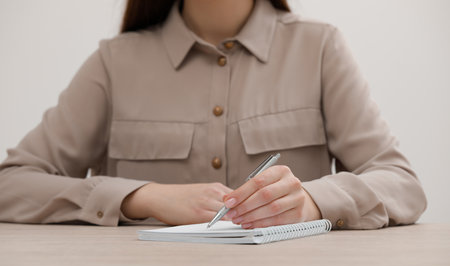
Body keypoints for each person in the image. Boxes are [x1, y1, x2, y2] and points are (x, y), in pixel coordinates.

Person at [0, 0, 426, 229]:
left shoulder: (319, 48)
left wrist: (313, 201)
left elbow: (402, 185)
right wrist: (143, 196)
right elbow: (12, 182)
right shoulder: (115, 62)